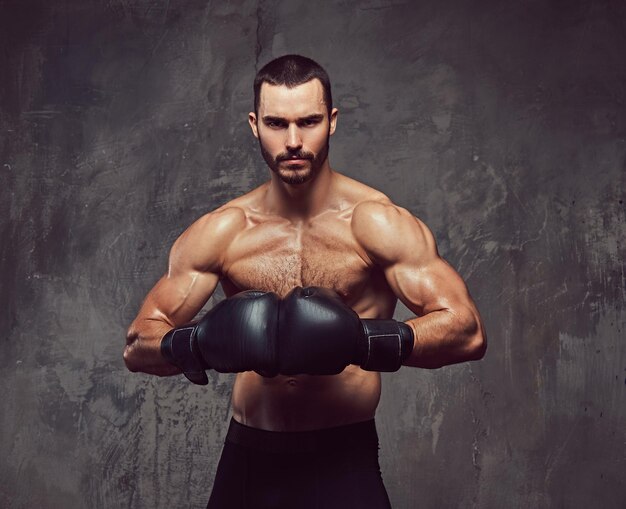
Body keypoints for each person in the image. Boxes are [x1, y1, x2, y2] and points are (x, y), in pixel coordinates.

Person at [124, 54, 486, 508]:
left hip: (343, 460)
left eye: (309, 121)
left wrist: (362, 342)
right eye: (277, 124)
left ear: (331, 121)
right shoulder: (226, 230)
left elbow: (467, 331)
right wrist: (194, 344)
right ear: (254, 125)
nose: (294, 141)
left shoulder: (374, 223)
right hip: (249, 461)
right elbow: (137, 345)